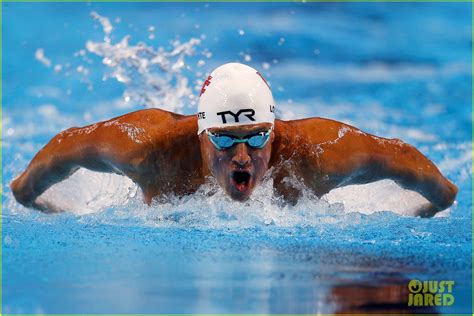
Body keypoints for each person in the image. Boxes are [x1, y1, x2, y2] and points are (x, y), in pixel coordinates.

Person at [11, 63, 457, 217]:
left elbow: (406, 162)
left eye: (256, 137)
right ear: (202, 134)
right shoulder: (147, 149)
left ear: (274, 129)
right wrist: (29, 196)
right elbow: (70, 145)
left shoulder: (320, 154)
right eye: (225, 141)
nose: (243, 156)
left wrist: (431, 206)